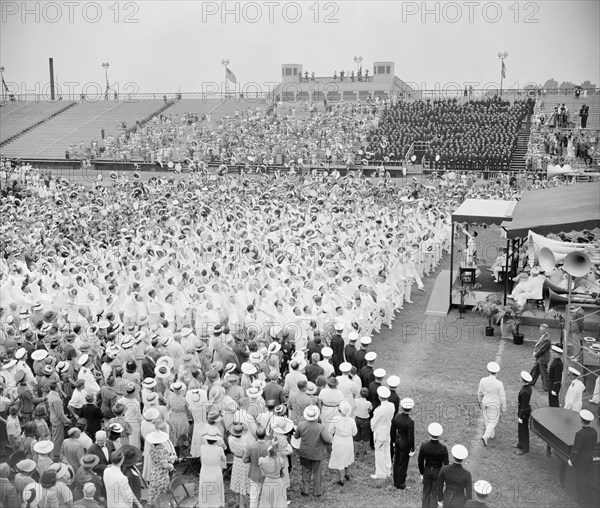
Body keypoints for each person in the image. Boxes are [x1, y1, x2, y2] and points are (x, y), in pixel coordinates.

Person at [294, 405, 331, 497]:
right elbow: (327, 439)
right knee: (317, 472)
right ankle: (317, 492)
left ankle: (305, 490)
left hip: (304, 452)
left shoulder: (301, 424)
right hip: (316, 453)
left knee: (306, 470)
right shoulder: (320, 427)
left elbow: (296, 437)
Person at [568, 409, 598, 507]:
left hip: (581, 460)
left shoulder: (580, 433)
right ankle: (588, 498)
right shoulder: (594, 431)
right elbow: (593, 445)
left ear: (581, 420)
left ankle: (581, 501)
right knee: (588, 478)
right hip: (589, 458)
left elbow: (576, 450)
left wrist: (571, 459)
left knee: (580, 480)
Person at [418, 423, 449, 508]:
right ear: (439, 435)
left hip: (427, 470)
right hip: (438, 472)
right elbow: (446, 464)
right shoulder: (443, 448)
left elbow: (420, 461)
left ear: (429, 433)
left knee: (426, 492)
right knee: (435, 493)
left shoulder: (424, 445)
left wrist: (422, 473)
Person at [328, 400, 357, 486]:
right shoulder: (351, 421)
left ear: (340, 410)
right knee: (348, 457)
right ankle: (347, 474)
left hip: (338, 441)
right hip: (348, 441)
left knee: (340, 459)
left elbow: (330, 430)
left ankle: (341, 479)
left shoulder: (336, 419)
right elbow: (355, 433)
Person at [477, 362, 506, 446]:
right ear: (496, 372)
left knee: (487, 419)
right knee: (493, 420)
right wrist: (504, 407)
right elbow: (502, 396)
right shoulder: (499, 384)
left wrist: (479, 400)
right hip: (495, 404)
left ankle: (491, 434)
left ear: (488, 371)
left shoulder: (483, 380)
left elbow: (480, 392)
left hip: (485, 402)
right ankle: (486, 436)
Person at [145, 429, 175, 506]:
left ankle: (152, 503)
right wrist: (171, 465)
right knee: (161, 489)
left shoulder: (151, 447)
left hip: (154, 470)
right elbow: (164, 465)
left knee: (153, 488)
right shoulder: (162, 450)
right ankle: (160, 503)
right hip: (161, 473)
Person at [370, 386, 395, 479]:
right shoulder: (391, 405)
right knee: (386, 451)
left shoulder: (379, 410)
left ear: (379, 397)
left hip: (380, 432)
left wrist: (373, 428)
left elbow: (374, 421)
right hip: (387, 430)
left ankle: (380, 474)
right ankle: (388, 470)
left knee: (379, 453)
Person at [243, 426, 271, 508]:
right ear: (265, 435)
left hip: (254, 473)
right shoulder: (268, 447)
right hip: (266, 473)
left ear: (256, 435)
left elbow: (244, 459)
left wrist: (252, 460)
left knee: (254, 496)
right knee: (265, 495)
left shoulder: (251, 446)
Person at [199, 427, 226, 508]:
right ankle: (216, 504)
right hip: (215, 471)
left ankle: (205, 504)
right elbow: (224, 459)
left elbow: (201, 459)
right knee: (216, 489)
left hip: (205, 471)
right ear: (216, 440)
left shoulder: (202, 447)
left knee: (205, 488)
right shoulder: (219, 449)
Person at [391, 397, 415, 489]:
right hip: (405, 443)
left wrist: (393, 441)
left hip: (397, 439)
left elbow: (392, 430)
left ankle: (395, 480)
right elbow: (411, 437)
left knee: (396, 461)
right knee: (403, 463)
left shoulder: (397, 416)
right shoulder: (410, 422)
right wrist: (412, 448)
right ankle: (400, 483)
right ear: (411, 409)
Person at [228, 422, 252, 508]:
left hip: (236, 460)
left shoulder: (230, 439)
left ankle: (237, 501)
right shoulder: (245, 443)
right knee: (243, 482)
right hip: (244, 462)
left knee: (237, 480)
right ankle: (241, 504)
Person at [257, 440, 287, 508]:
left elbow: (262, 473)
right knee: (279, 502)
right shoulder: (280, 460)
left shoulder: (262, 460)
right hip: (278, 482)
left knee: (266, 502)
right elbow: (282, 467)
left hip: (267, 481)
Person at [514, 371, 532, 455]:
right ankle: (520, 444)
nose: (519, 378)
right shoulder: (526, 388)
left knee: (524, 430)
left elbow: (524, 406)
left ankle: (525, 448)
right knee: (521, 429)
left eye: (520, 377)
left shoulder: (525, 392)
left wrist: (521, 416)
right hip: (523, 410)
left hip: (524, 412)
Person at [529, 324, 551, 391]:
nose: (540, 331)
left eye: (542, 330)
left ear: (546, 330)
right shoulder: (544, 336)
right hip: (540, 358)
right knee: (535, 370)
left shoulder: (547, 339)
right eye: (540, 330)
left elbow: (542, 349)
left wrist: (535, 354)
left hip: (542, 358)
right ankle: (531, 381)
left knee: (544, 374)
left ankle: (546, 387)